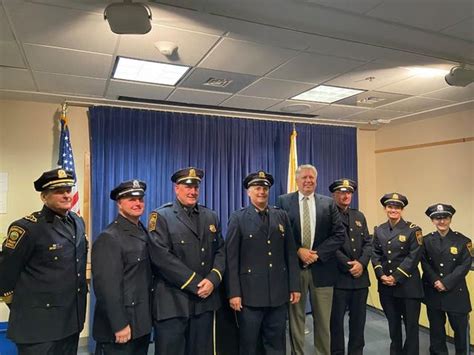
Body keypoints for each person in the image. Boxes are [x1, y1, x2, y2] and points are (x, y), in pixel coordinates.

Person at [0, 168, 88, 355]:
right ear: (44, 197)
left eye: (68, 189)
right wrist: (22, 305)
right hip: (38, 327)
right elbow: (5, 274)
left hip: (71, 321)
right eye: (58, 191)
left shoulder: (77, 222)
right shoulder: (27, 228)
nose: (66, 195)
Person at [148, 167, 225, 355]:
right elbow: (162, 258)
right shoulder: (161, 216)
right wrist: (198, 283)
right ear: (177, 188)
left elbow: (221, 251)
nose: (192, 191)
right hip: (173, 302)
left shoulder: (210, 216)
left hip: (204, 303)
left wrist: (213, 280)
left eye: (196, 187)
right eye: (187, 186)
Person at [226, 170, 300, 355]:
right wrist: (234, 293)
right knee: (249, 345)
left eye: (265, 188)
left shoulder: (280, 216)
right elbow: (231, 259)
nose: (262, 192)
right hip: (249, 296)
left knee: (276, 344)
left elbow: (290, 254)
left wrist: (295, 286)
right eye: (257, 188)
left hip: (278, 294)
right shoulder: (238, 218)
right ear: (248, 192)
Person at [276, 164, 345, 355]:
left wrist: (317, 254)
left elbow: (339, 234)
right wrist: (298, 250)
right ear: (297, 181)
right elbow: (280, 235)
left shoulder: (328, 203)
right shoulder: (283, 201)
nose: (308, 181)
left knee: (323, 320)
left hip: (322, 269)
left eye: (311, 178)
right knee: (296, 318)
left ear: (316, 180)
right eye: (304, 177)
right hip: (295, 270)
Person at [92, 179, 152, 354]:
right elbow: (107, 288)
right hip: (119, 327)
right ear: (119, 203)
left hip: (140, 323)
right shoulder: (109, 237)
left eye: (140, 199)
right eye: (131, 199)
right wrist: (119, 324)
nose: (137, 203)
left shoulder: (143, 231)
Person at [372, 193, 423, 355]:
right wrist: (381, 275)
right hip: (386, 286)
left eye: (397, 207)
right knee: (393, 325)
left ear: (402, 210)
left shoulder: (413, 230)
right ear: (385, 208)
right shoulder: (379, 229)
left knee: (411, 326)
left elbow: (414, 256)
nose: (393, 210)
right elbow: (375, 254)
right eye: (390, 207)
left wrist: (396, 277)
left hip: (408, 286)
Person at [421, 203, 472, 355]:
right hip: (434, 292)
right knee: (436, 333)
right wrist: (436, 280)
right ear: (432, 221)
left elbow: (464, 265)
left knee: (461, 333)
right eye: (437, 218)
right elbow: (424, 263)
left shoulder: (464, 241)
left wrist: (445, 282)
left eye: (445, 217)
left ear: (450, 219)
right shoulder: (426, 241)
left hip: (456, 294)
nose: (441, 221)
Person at [328, 179, 371, 355]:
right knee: (336, 322)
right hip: (339, 278)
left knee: (358, 322)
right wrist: (349, 265)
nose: (345, 196)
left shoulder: (359, 216)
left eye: (349, 192)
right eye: (341, 192)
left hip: (360, 279)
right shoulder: (327, 215)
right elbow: (328, 244)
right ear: (334, 194)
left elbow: (368, 243)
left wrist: (361, 263)